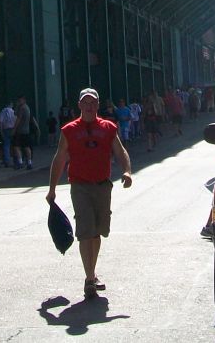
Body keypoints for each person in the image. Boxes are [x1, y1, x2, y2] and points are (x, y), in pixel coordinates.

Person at [46, 88, 132, 299]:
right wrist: (52, 189)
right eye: (85, 102)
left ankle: (92, 273)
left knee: (98, 231)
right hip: (80, 186)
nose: (89, 106)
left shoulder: (108, 127)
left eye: (93, 102)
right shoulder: (69, 130)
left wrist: (127, 171)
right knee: (85, 230)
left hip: (103, 185)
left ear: (97, 104)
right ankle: (89, 279)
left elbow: (120, 151)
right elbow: (59, 159)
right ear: (79, 105)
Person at [14, 95, 33, 170]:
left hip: (21, 130)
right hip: (26, 130)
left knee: (16, 146)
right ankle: (29, 162)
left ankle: (20, 162)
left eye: (20, 100)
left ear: (24, 100)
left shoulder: (22, 108)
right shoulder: (27, 107)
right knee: (26, 147)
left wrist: (14, 129)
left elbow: (18, 118)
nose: (19, 102)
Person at [0, 100, 16, 169]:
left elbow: (0, 122)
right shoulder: (13, 111)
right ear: (11, 104)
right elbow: (15, 120)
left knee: (6, 145)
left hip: (5, 129)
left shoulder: (3, 111)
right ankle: (16, 160)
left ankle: (7, 161)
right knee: (14, 145)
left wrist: (1, 130)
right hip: (13, 128)